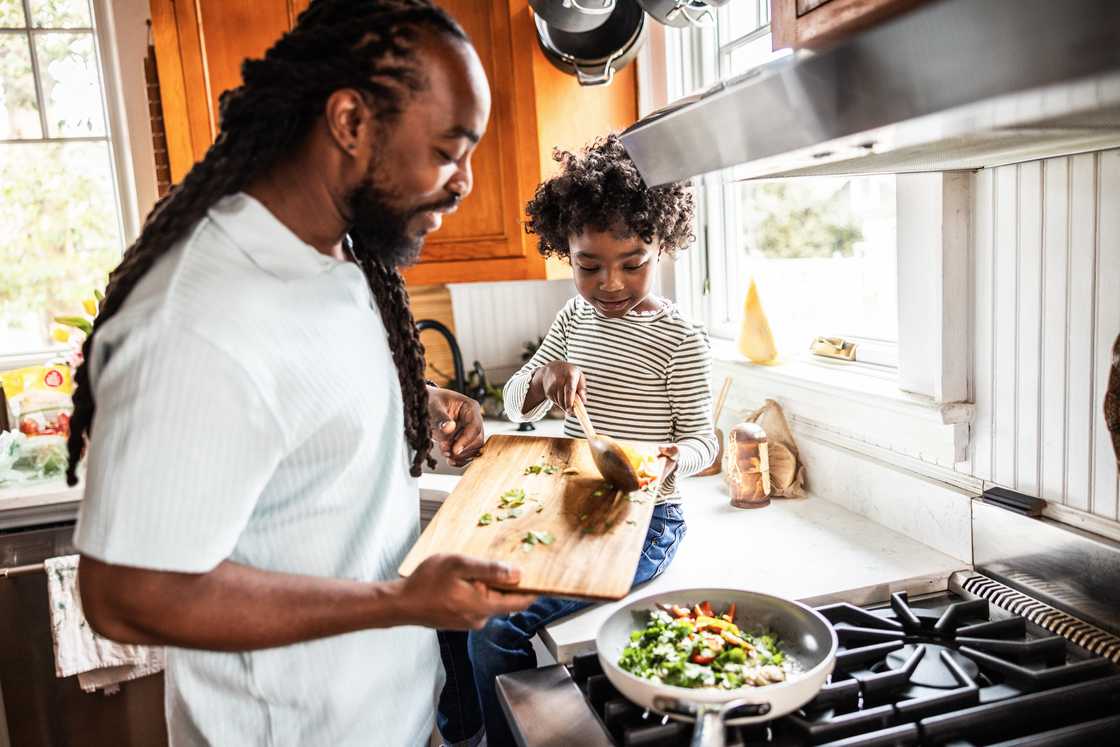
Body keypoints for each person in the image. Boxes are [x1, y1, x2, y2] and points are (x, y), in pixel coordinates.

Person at [67, 2, 535, 744]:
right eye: (448, 151)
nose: (466, 182)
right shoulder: (201, 317)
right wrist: (398, 602)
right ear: (350, 122)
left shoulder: (336, 253)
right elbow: (126, 593)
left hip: (391, 718)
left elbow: (298, 409)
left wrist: (411, 398)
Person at [437, 134, 718, 747]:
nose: (610, 283)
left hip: (644, 520)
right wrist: (541, 378)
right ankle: (464, 730)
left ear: (663, 248)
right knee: (448, 593)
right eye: (589, 266)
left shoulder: (681, 340)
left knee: (493, 628)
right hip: (565, 505)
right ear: (564, 252)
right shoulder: (574, 320)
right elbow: (514, 403)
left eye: (633, 262)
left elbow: (705, 440)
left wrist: (671, 460)